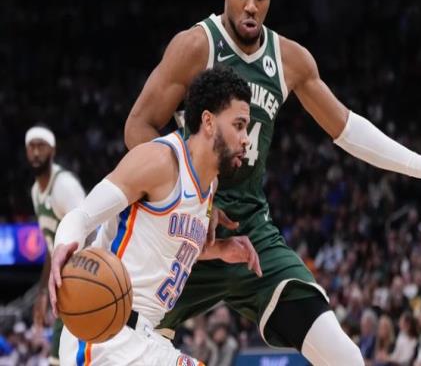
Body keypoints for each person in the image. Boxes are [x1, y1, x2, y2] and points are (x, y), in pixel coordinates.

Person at [124, 0, 421, 365]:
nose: (251, 6)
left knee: (345, 356)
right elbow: (138, 125)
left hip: (252, 234)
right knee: (112, 337)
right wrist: (191, 197)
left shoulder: (289, 59)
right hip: (185, 233)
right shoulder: (194, 47)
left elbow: (347, 128)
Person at [48, 66, 262, 366]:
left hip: (145, 337)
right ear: (208, 122)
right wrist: (63, 245)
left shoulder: (210, 185)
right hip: (106, 329)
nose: (246, 139)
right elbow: (82, 216)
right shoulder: (160, 161)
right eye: (239, 125)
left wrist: (219, 250)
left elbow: (164, 242)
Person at [26, 125, 86, 366]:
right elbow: (53, 249)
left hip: (82, 280)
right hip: (65, 286)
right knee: (58, 359)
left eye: (41, 146)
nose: (35, 152)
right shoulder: (35, 192)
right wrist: (42, 292)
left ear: (52, 150)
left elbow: (90, 229)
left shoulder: (64, 185)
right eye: (31, 147)